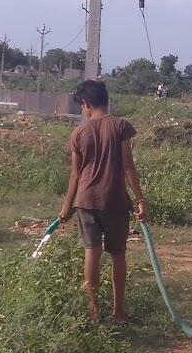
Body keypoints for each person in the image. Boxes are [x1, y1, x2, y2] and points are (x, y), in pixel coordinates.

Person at [59, 79, 147, 322]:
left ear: (85, 103)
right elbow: (129, 166)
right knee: (117, 254)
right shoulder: (121, 126)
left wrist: (67, 206)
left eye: (81, 107)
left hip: (85, 201)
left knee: (91, 251)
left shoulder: (78, 132)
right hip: (115, 201)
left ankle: (94, 311)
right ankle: (119, 313)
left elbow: (75, 174)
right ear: (106, 100)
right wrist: (140, 200)